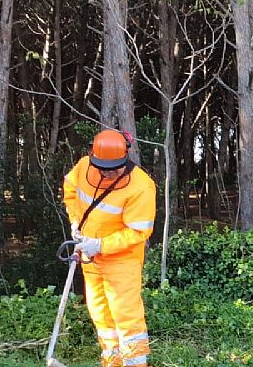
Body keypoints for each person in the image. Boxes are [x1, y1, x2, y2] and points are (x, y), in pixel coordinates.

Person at [64, 129, 156, 367]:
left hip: (122, 261)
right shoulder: (84, 167)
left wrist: (101, 245)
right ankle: (111, 361)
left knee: (126, 317)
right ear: (92, 157)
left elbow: (138, 232)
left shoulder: (141, 187)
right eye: (102, 167)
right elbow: (70, 191)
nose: (108, 173)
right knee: (100, 313)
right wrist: (76, 221)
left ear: (125, 157)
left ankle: (134, 363)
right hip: (90, 258)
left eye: (113, 167)